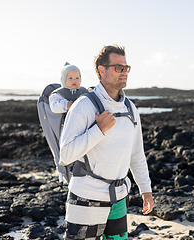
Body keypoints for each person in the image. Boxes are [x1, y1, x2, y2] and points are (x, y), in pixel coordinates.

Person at [59, 45, 154, 240]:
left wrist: (146, 189)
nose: (125, 72)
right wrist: (99, 129)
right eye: (119, 68)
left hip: (118, 198)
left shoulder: (130, 108)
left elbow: (136, 153)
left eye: (127, 67)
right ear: (102, 70)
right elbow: (66, 155)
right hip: (87, 197)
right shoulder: (84, 105)